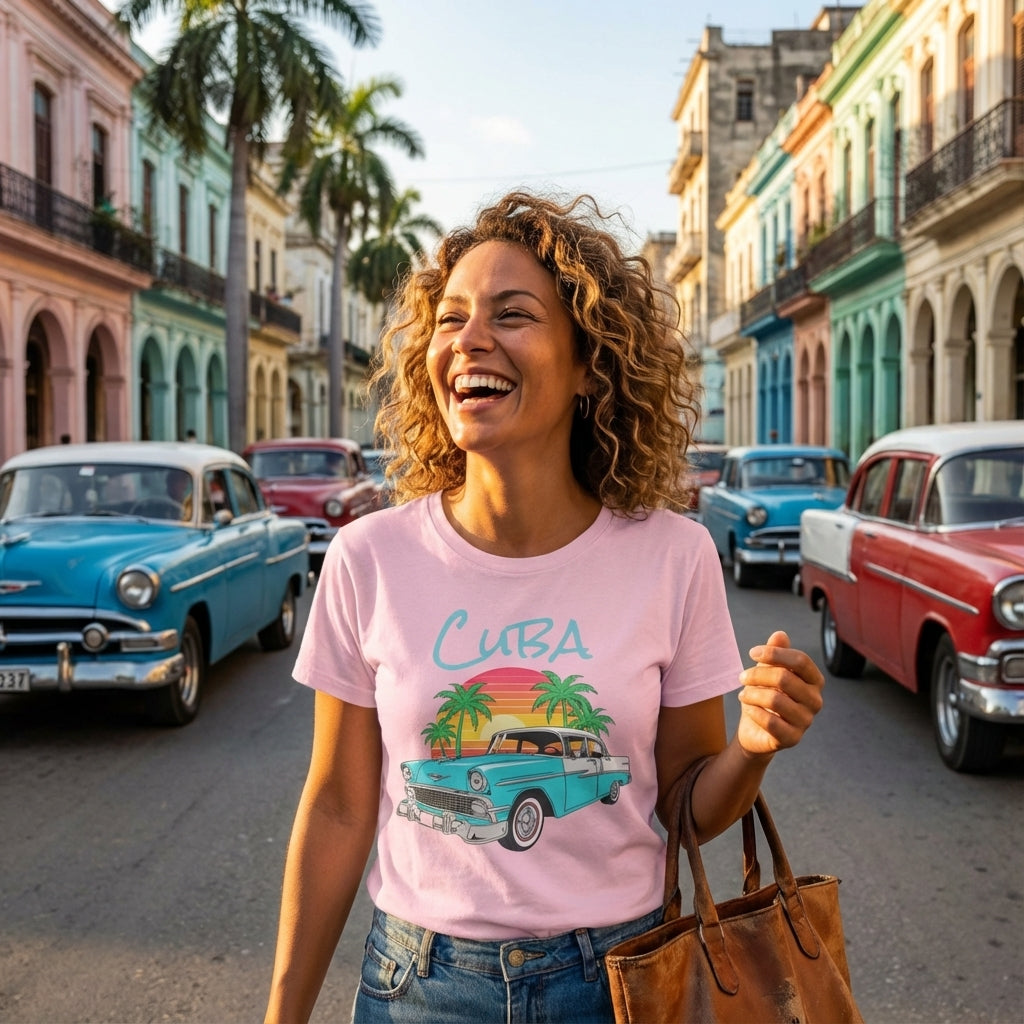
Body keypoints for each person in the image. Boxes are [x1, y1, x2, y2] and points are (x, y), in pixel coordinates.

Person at [265, 192, 825, 1024]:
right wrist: (283, 1013)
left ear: (589, 363)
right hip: (418, 985)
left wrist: (751, 748)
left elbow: (684, 805)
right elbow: (343, 807)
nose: (469, 340)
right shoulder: (368, 557)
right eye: (450, 318)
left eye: (512, 314)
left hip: (620, 978)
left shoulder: (673, 556)